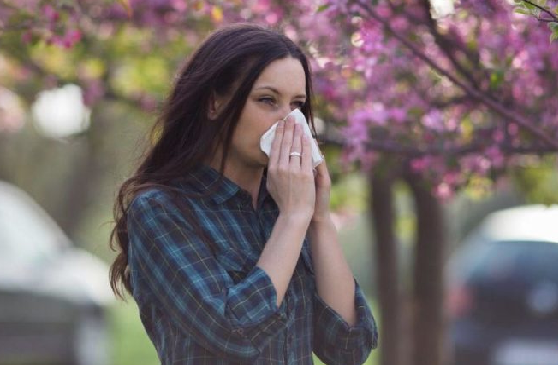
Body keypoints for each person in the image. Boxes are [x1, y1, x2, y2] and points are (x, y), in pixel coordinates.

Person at [109, 23, 378, 365]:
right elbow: (233, 334)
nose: (289, 122)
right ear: (214, 104)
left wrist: (318, 219)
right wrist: (293, 219)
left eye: (297, 105)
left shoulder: (282, 208)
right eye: (267, 100)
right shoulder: (162, 210)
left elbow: (348, 349)